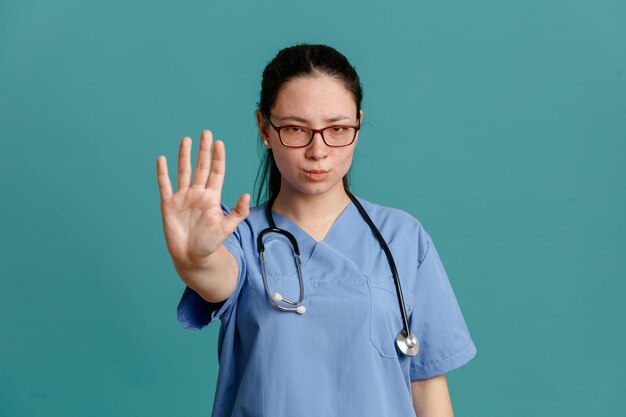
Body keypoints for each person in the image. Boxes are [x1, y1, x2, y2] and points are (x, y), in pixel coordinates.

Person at [156, 44, 476, 417]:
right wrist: (195, 259)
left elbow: (426, 382)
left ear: (358, 125)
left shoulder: (403, 238)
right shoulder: (239, 237)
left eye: (337, 129)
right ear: (265, 127)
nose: (318, 150)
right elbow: (214, 276)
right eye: (296, 129)